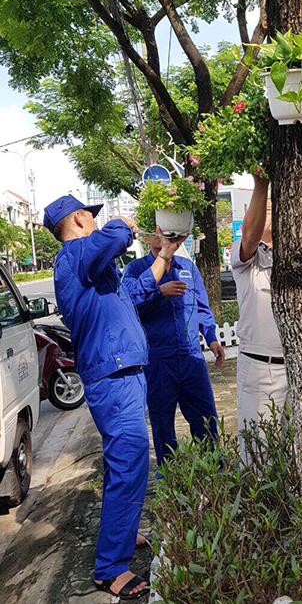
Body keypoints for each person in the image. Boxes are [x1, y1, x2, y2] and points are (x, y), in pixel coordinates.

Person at [44, 195, 180, 601]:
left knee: (121, 462)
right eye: (92, 217)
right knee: (131, 460)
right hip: (113, 376)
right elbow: (115, 236)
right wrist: (123, 223)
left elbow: (135, 291)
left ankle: (121, 528)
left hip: (124, 373)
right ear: (80, 219)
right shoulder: (74, 256)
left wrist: (167, 250)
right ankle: (110, 567)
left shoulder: (96, 270)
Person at [122, 229, 224, 468]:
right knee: (162, 423)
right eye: (161, 232)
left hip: (191, 358)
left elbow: (201, 308)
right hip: (158, 361)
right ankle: (170, 475)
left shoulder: (188, 268)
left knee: (206, 419)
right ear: (147, 237)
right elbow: (129, 305)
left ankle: (215, 474)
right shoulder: (135, 270)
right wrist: (158, 293)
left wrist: (211, 339)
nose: (168, 238)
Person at [231, 176, 287, 461]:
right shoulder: (244, 258)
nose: (271, 213)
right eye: (265, 209)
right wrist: (261, 185)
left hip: (296, 367)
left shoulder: (291, 256)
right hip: (259, 365)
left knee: (294, 453)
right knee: (257, 455)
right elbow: (251, 237)